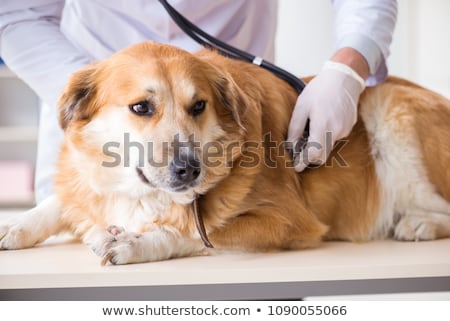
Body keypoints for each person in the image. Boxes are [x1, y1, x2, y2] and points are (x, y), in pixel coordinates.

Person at [0, 0, 397, 204]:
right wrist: (103, 90)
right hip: (104, 122)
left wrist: (347, 69)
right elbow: (17, 13)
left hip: (234, 120)